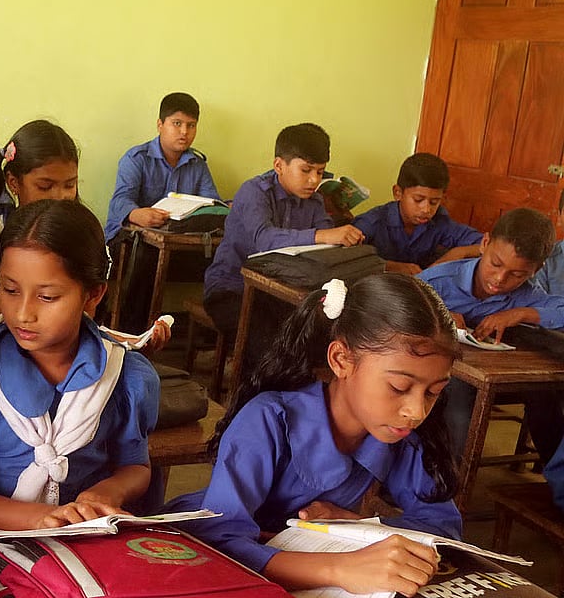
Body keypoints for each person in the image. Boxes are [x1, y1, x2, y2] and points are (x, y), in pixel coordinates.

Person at [167, 274, 462, 597]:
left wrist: (356, 523)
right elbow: (219, 538)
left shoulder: (398, 433)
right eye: (399, 387)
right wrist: (340, 569)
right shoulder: (268, 418)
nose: (417, 411)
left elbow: (443, 527)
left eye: (433, 392)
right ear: (340, 360)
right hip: (191, 554)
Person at [0, 200, 160, 530]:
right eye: (10, 290)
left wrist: (105, 493)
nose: (24, 313)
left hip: (83, 535)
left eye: (47, 297)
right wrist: (44, 519)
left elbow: (135, 467)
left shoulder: (123, 373)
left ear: (93, 295)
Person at [203, 123, 364, 373]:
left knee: (325, 340)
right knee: (270, 350)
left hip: (283, 296)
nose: (314, 180)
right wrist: (324, 235)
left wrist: (341, 236)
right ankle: (253, 402)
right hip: (232, 290)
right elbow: (264, 239)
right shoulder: (253, 192)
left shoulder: (315, 201)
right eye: (306, 170)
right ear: (279, 165)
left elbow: (328, 249)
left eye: (320, 172)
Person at [418, 207, 564, 461]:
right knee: (460, 398)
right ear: (485, 243)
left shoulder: (527, 294)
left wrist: (520, 313)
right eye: (495, 264)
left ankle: (555, 482)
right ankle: (451, 475)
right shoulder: (439, 281)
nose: (499, 279)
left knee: (545, 394)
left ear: (535, 270)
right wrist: (437, 315)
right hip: (441, 373)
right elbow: (394, 304)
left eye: (516, 275)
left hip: (493, 376)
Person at [0, 119, 79, 312]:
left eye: (69, 185)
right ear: (14, 183)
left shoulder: (83, 231)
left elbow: (87, 306)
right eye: (45, 186)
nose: (59, 197)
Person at [103, 91, 219, 241]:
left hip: (175, 241)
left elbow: (211, 205)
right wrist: (136, 214)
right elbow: (120, 200)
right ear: (160, 125)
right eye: (177, 123)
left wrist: (225, 208)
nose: (184, 132)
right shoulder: (136, 159)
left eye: (191, 125)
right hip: (132, 239)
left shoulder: (198, 165)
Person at [351, 153, 481, 275]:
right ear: (398, 193)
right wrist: (389, 266)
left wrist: (459, 252)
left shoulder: (439, 221)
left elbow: (487, 245)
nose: (426, 209)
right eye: (418, 200)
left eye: (434, 202)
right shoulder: (373, 221)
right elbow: (344, 258)